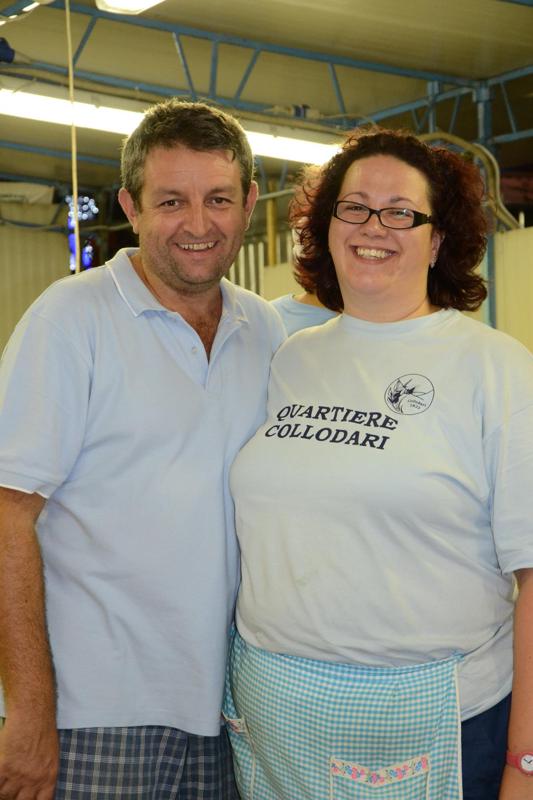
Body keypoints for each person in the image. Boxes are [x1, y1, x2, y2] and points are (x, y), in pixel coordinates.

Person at [224, 128, 533, 799]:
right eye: (355, 207)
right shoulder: (290, 357)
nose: (374, 226)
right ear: (327, 226)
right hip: (275, 716)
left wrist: (525, 762)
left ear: (438, 239)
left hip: (437, 724)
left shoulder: (496, 369)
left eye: (401, 212)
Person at [0, 99, 285, 799]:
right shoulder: (72, 318)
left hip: (231, 711)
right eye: (171, 201)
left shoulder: (267, 330)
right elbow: (7, 515)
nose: (198, 224)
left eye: (218, 198)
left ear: (249, 203)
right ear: (131, 207)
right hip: (92, 714)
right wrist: (30, 713)